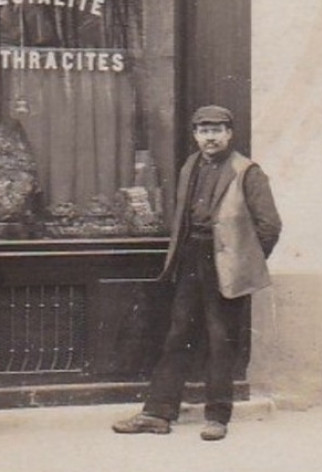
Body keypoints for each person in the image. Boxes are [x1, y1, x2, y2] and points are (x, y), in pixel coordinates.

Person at [113, 105, 282, 442]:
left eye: (217, 130)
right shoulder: (190, 166)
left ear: (230, 134)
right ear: (195, 135)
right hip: (191, 259)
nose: (210, 137)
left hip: (227, 267)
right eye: (204, 130)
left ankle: (217, 417)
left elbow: (270, 226)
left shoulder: (247, 171)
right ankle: (157, 413)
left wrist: (243, 262)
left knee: (221, 340)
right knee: (176, 334)